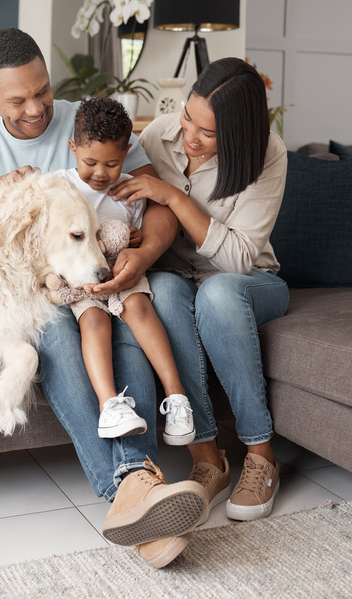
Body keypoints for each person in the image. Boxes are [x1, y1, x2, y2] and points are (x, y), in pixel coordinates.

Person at [0, 28, 207, 569]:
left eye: (43, 92)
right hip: (38, 296)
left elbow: (159, 202)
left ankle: (140, 493)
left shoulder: (88, 124)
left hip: (107, 275)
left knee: (125, 316)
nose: (36, 109)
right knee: (57, 329)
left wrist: (143, 255)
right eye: (18, 99)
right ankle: (137, 483)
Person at [110, 57, 290, 526]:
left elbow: (236, 259)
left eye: (208, 133)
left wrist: (174, 197)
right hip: (178, 277)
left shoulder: (268, 154)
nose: (190, 135)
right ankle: (208, 460)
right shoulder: (157, 137)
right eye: (189, 118)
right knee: (163, 295)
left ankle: (262, 454)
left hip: (251, 284)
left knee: (217, 295)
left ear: (238, 133)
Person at [53, 96, 195, 445]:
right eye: (90, 162)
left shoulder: (130, 189)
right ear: (73, 149)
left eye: (112, 164)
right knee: (93, 320)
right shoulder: (59, 187)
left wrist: (134, 237)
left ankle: (177, 399)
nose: (101, 174)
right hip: (85, 281)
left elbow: (139, 233)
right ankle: (109, 406)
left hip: (123, 274)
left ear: (127, 152)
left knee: (140, 308)